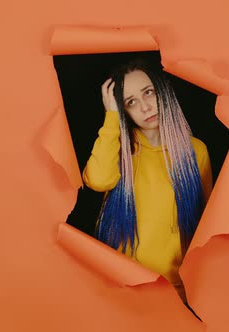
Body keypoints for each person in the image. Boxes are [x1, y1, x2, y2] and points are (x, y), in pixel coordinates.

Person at [82, 58, 213, 304]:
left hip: (176, 291)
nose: (144, 107)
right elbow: (98, 181)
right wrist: (111, 117)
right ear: (124, 111)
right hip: (122, 290)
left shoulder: (196, 152)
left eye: (148, 92)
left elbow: (206, 228)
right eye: (130, 102)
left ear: (162, 91)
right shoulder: (119, 150)